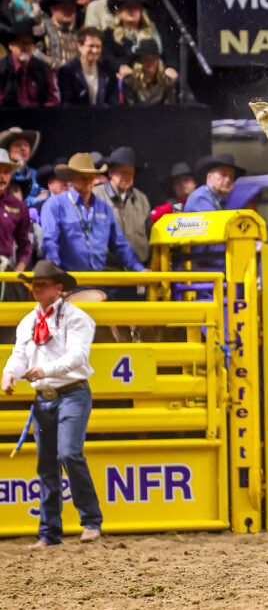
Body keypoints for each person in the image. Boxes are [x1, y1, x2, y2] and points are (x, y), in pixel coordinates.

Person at [1, 259, 102, 546]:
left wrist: (46, 370)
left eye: (42, 284)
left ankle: (90, 520)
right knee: (47, 464)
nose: (36, 289)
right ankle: (50, 532)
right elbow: (20, 353)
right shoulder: (29, 321)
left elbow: (78, 356)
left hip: (71, 392)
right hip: (44, 398)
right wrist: (9, 372)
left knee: (69, 453)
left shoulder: (77, 318)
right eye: (34, 284)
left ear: (58, 288)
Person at [39, 153, 146, 302]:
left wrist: (139, 269)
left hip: (99, 282)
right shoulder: (55, 205)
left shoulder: (103, 208)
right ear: (70, 177)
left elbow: (120, 245)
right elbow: (50, 243)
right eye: (82, 175)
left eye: (91, 175)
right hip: (69, 282)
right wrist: (58, 279)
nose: (88, 179)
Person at [93, 146, 152, 267]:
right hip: (107, 270)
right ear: (110, 172)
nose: (127, 176)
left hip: (139, 269)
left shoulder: (141, 199)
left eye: (130, 172)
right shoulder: (95, 196)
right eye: (122, 171)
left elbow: (150, 234)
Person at [102, 0, 172, 82]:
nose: (131, 11)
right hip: (120, 80)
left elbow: (164, 54)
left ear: (141, 11)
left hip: (151, 80)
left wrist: (169, 68)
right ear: (121, 10)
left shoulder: (153, 32)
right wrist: (119, 66)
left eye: (135, 7)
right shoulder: (109, 32)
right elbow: (106, 57)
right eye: (127, 7)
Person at [0, 19, 61, 107]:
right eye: (21, 43)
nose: (25, 47)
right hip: (9, 118)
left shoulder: (45, 69)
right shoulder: (1, 69)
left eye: (29, 43)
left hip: (39, 118)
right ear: (11, 45)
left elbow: (52, 100)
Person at [57, 26, 120, 106]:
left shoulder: (107, 70)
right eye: (91, 46)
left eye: (98, 46)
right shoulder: (68, 71)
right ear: (80, 46)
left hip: (103, 116)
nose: (95, 50)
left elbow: (113, 101)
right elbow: (67, 103)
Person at [0, 149, 34, 276]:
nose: (2, 177)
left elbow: (25, 245)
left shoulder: (19, 207)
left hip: (3, 267)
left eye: (6, 172)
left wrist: (19, 268)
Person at [122, 38, 178, 105]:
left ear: (158, 60)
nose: (149, 63)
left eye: (152, 59)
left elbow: (170, 109)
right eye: (145, 59)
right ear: (140, 62)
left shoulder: (167, 82)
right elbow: (129, 110)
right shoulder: (130, 82)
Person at [39, 0, 81, 69]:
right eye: (64, 8)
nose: (68, 11)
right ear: (52, 9)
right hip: (51, 77)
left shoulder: (78, 33)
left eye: (72, 9)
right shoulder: (41, 29)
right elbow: (33, 52)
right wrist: (51, 64)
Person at [1, 126, 44, 208]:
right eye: (18, 145)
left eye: (26, 145)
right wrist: (34, 200)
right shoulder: (3, 175)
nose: (23, 148)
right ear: (8, 150)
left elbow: (45, 195)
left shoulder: (35, 174)